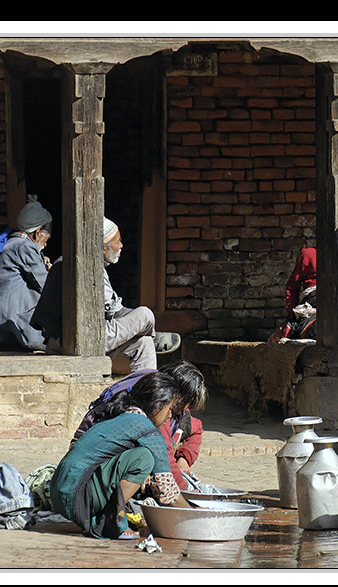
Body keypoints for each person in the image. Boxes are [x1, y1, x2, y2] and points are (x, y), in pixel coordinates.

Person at [50, 370, 194, 540]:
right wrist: (192, 514)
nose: (170, 416)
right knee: (144, 458)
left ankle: (108, 517)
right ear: (157, 405)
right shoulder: (148, 431)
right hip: (76, 498)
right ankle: (112, 522)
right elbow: (168, 491)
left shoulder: (122, 418)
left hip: (58, 493)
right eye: (169, 409)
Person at [31, 217, 181, 371]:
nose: (121, 245)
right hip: (78, 340)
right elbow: (114, 311)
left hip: (61, 340)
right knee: (145, 314)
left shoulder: (65, 261)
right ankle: (153, 336)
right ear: (103, 248)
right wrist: (139, 324)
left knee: (143, 343)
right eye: (118, 241)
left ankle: (146, 392)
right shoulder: (90, 266)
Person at [71, 361, 208, 489]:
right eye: (182, 404)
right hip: (88, 466)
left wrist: (184, 458)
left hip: (82, 463)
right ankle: (116, 510)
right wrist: (186, 492)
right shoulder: (151, 408)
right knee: (144, 458)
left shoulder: (171, 408)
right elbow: (163, 458)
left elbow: (195, 429)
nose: (181, 410)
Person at [0, 194, 53, 351]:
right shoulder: (24, 246)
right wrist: (53, 273)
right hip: (12, 329)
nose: (46, 242)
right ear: (38, 232)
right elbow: (46, 286)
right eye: (46, 237)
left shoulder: (12, 243)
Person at [269, 248, 317, 342]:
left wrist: (291, 316)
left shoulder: (308, 254)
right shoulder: (309, 254)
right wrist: (291, 316)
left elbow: (293, 287)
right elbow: (293, 288)